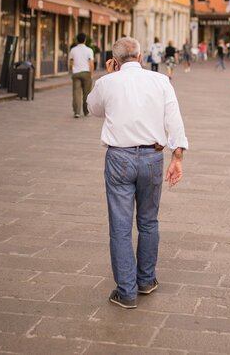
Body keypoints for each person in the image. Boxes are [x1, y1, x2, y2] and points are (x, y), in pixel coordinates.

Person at [86, 37, 188, 309]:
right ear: (141, 57)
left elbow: (93, 109)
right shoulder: (160, 81)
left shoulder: (107, 82)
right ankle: (145, 280)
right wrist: (177, 156)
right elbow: (174, 118)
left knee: (120, 227)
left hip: (119, 158)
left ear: (115, 61)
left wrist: (109, 78)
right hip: (153, 157)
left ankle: (126, 291)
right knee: (148, 221)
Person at [69, 33, 96, 118]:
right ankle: (86, 112)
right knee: (86, 93)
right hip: (86, 73)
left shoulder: (73, 50)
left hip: (76, 73)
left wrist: (72, 70)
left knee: (76, 93)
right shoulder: (89, 50)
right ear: (85, 40)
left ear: (77, 40)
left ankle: (77, 112)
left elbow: (71, 62)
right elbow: (91, 63)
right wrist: (91, 74)